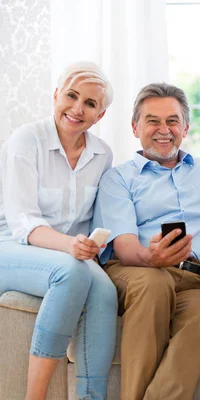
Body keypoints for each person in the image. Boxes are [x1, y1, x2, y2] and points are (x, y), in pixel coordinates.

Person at [90, 83, 200, 400]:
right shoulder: (119, 178)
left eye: (172, 121)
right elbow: (125, 247)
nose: (163, 130)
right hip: (138, 269)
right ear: (135, 127)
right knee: (155, 284)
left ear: (186, 127)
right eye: (153, 120)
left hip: (198, 281)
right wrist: (152, 257)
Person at [0, 62, 117, 400]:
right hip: (11, 244)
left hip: (65, 250)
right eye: (71, 95)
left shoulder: (101, 155)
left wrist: (91, 245)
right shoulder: (27, 140)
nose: (78, 108)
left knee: (105, 292)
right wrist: (70, 246)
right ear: (55, 95)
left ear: (100, 115)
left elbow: (90, 221)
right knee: (69, 274)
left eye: (90, 103)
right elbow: (24, 222)